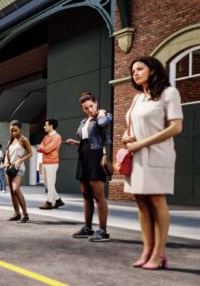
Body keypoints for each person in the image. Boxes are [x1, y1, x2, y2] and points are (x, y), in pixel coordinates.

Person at [122, 57, 183, 269]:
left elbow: (176, 127)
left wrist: (142, 143)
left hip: (158, 154)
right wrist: (126, 137)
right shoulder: (137, 99)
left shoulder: (169, 93)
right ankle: (147, 249)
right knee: (141, 202)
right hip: (137, 156)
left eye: (140, 69)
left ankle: (159, 253)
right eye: (132, 71)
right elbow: (131, 127)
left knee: (157, 200)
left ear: (153, 70)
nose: (135, 73)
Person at [65, 92, 112, 242]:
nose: (89, 110)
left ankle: (103, 230)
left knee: (98, 195)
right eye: (85, 108)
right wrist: (76, 142)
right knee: (86, 194)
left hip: (96, 156)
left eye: (91, 106)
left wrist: (101, 113)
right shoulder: (83, 122)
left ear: (96, 103)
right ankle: (88, 227)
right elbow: (87, 140)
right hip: (83, 157)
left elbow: (103, 125)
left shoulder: (105, 116)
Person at [4, 120, 33, 223]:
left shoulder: (23, 139)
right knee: (12, 192)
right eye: (11, 130)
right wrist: (6, 163)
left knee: (16, 189)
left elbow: (30, 153)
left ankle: (25, 214)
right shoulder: (10, 141)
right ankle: (16, 214)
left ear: (20, 129)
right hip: (9, 168)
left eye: (15, 130)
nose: (13, 133)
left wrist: (21, 159)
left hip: (19, 168)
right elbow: (7, 154)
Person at [38, 119, 64, 210]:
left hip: (52, 163)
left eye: (46, 125)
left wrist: (42, 148)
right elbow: (39, 148)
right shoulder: (46, 137)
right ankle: (58, 200)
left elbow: (46, 150)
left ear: (51, 126)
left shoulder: (57, 137)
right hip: (45, 162)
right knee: (47, 184)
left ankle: (49, 202)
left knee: (50, 183)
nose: (44, 127)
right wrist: (42, 148)